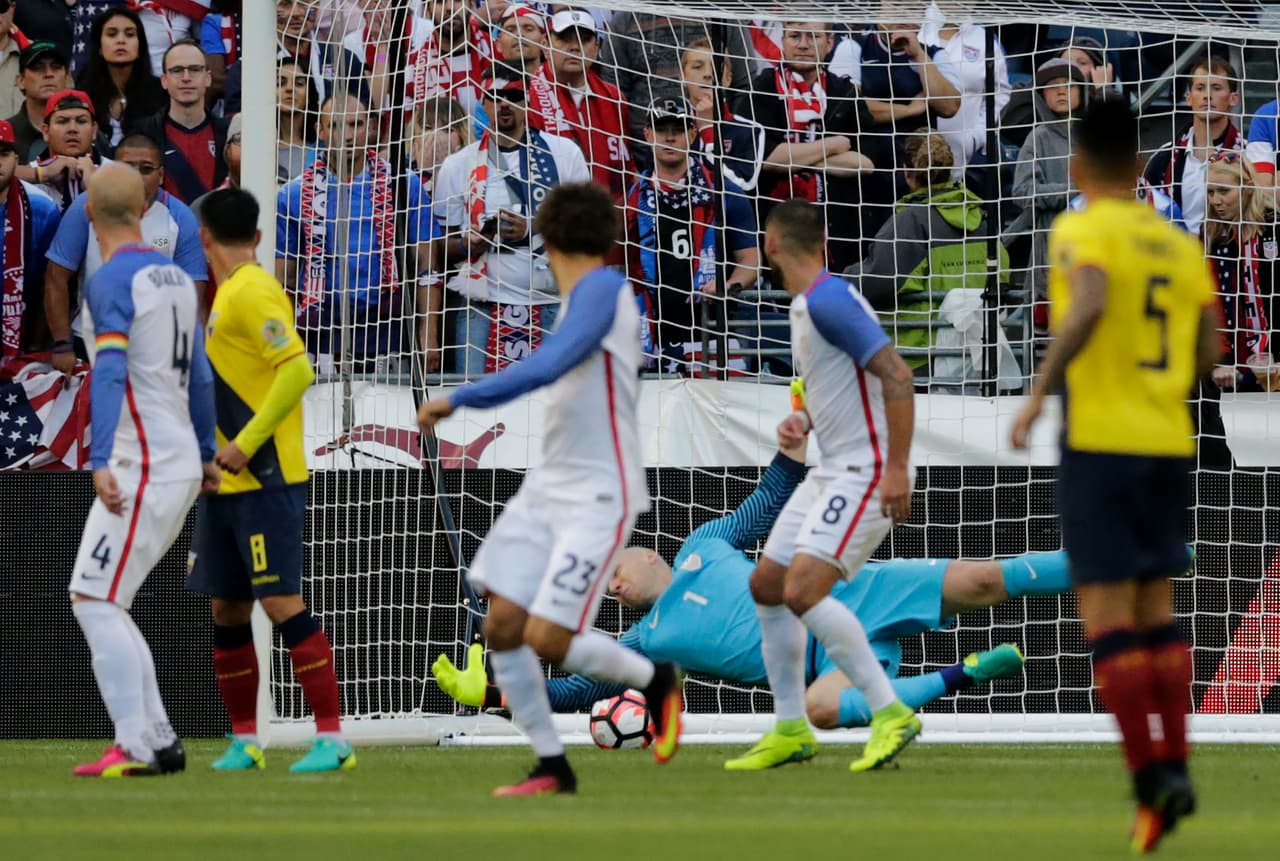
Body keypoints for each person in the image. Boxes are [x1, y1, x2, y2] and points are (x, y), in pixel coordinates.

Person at [434, 436, 1071, 727]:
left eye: (616, 571)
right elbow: (568, 692)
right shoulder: (645, 642)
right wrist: (490, 693)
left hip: (844, 594)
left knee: (988, 578)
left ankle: (1126, 559)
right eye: (605, 589)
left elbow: (765, 505)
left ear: (650, 553)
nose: (614, 587)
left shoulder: (701, 547)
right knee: (823, 712)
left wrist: (792, 444)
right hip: (826, 661)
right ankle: (967, 673)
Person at [418, 182, 683, 797]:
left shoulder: (605, 290)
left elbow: (551, 362)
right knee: (502, 626)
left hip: (598, 493)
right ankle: (551, 765)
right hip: (549, 488)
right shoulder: (582, 300)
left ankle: (654, 680)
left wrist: (461, 395)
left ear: (546, 236)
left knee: (547, 638)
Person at [1010, 98, 1220, 854]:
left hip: (1100, 439)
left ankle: (1149, 780)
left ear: (1075, 165)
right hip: (1168, 437)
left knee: (1106, 620)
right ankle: (1178, 762)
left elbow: (1091, 299)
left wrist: (1038, 393)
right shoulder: (1177, 244)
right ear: (1141, 165)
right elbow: (1208, 348)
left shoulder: (1079, 228)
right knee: (1158, 613)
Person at [725, 199, 919, 774]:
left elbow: (898, 374)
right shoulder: (811, 304)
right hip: (831, 468)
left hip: (865, 470)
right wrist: (804, 421)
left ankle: (890, 713)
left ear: (771, 244)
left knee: (803, 591)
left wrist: (898, 468)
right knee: (767, 582)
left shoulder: (829, 299)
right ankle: (790, 728)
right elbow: (840, 384)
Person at [188, 187, 354, 774]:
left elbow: (298, 369)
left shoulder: (253, 290)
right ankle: (245, 741)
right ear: (257, 236)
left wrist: (242, 445)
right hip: (227, 484)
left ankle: (333, 739)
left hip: (264, 476)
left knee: (281, 601)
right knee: (227, 609)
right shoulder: (234, 291)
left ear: (203, 237)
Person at [66, 161, 217, 778]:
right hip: (176, 454)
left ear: (86, 212)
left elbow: (107, 371)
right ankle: (159, 738)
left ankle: (138, 742)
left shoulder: (110, 280)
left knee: (94, 599)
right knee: (107, 599)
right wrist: (207, 451)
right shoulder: (178, 277)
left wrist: (101, 458)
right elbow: (201, 373)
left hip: (142, 460)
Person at [433, 73, 589, 377]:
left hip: (552, 303)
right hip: (482, 306)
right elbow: (441, 248)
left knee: (554, 410)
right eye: (495, 97)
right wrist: (472, 242)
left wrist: (533, 229)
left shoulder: (564, 152)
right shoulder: (457, 164)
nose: (504, 105)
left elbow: (589, 231)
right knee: (475, 415)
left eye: (514, 96)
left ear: (528, 100)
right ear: (483, 103)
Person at [277, 88, 441, 372]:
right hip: (320, 327)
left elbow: (427, 268)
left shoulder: (404, 186)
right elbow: (285, 278)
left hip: (385, 321)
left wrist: (428, 336)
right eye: (337, 125)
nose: (348, 135)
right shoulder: (293, 194)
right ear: (320, 129)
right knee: (322, 412)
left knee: (387, 412)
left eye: (357, 124)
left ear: (373, 128)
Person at [44, 133, 208, 374]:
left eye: (146, 169)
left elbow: (193, 294)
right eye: (127, 168)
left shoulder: (180, 218)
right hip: (91, 340)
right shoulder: (86, 207)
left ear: (161, 176)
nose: (136, 177)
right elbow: (56, 278)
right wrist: (61, 345)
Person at [852, 132, 1008, 375]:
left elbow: (876, 283)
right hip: (975, 357)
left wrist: (845, 276)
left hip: (918, 357)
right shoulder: (982, 219)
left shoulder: (908, 223)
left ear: (907, 172)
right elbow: (1003, 277)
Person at [624, 99, 759, 374]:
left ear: (694, 133)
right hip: (650, 334)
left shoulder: (725, 192)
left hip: (712, 332)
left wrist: (729, 286)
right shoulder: (633, 197)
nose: (670, 137)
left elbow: (751, 258)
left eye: (679, 128)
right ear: (647, 134)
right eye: (662, 129)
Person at [735, 21, 872, 270]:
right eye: (795, 36)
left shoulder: (845, 92)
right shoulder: (762, 89)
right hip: (772, 231)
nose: (803, 45)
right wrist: (832, 144)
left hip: (838, 235)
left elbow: (864, 163)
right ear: (783, 42)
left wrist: (795, 156)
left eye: (813, 36)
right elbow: (766, 159)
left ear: (829, 42)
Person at [1143, 54, 1274, 236]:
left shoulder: (1247, 156)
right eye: (1200, 88)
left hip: (1230, 259)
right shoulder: (1164, 157)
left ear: (1233, 98)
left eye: (1216, 88)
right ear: (1188, 98)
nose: (1207, 95)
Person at [1008, 58, 1089, 316]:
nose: (1062, 91)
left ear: (1082, 90)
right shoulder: (1038, 137)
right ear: (1042, 95)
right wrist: (1071, 191)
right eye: (1053, 86)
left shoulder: (1097, 136)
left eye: (1069, 84)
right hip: (1052, 258)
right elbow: (1022, 192)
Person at [527, 8, 631, 202]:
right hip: (552, 216)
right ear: (545, 45)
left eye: (584, 40)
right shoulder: (527, 96)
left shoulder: (615, 98)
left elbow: (627, 170)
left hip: (609, 219)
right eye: (565, 39)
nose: (575, 47)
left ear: (597, 49)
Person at [131, 40, 230, 204]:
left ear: (208, 78)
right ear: (164, 80)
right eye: (177, 70)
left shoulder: (227, 133)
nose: (186, 78)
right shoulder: (142, 133)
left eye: (194, 69)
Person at [0, 118, 60, 365]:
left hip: (20, 337)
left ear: (17, 158)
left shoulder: (41, 209)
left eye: (3, 154)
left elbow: (53, 281)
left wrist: (37, 343)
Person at [681, 38, 764, 194]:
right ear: (683, 77)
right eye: (698, 67)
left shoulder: (749, 130)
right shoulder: (670, 127)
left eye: (716, 66)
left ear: (728, 79)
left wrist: (707, 130)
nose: (707, 74)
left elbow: (744, 185)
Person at [75, 8, 167, 148]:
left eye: (130, 34)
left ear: (139, 46)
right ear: (99, 46)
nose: (121, 40)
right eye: (112, 34)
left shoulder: (160, 93)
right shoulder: (83, 94)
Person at [20, 88, 108, 210]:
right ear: (45, 131)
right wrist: (41, 174)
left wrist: (95, 185)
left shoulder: (115, 171)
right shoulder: (28, 175)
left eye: (81, 121)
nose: (72, 128)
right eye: (62, 121)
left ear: (94, 131)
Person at [7, 41, 71, 162]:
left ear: (67, 78)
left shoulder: (86, 132)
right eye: (38, 68)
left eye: (56, 67)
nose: (48, 74)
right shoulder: (5, 134)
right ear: (20, 81)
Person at [276, 56, 318, 183]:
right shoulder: (257, 148)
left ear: (309, 95)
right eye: (280, 83)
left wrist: (382, 57)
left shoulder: (324, 149)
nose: (289, 89)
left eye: (298, 84)